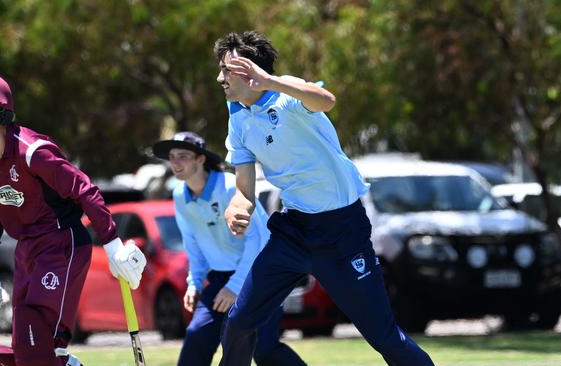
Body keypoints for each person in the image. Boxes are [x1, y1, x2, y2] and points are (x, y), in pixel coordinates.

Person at [213, 31, 435, 366]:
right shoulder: (238, 119)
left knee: (384, 337)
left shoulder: (285, 93)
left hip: (342, 232)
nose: (220, 78)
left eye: (227, 70)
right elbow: (244, 189)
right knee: (240, 323)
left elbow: (325, 100)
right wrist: (236, 207)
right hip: (294, 233)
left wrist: (270, 81)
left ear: (249, 71)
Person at [0, 70, 147, 366]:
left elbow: (85, 190)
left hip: (61, 244)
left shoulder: (32, 151)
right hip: (27, 248)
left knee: (33, 326)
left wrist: (114, 245)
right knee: (29, 340)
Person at [152, 131, 306, 366]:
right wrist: (194, 283)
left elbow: (260, 238)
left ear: (200, 159)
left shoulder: (228, 186)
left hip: (260, 275)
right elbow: (193, 243)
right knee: (196, 337)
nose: (175, 162)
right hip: (221, 279)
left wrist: (235, 286)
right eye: (172, 156)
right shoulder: (179, 196)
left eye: (183, 156)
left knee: (264, 349)